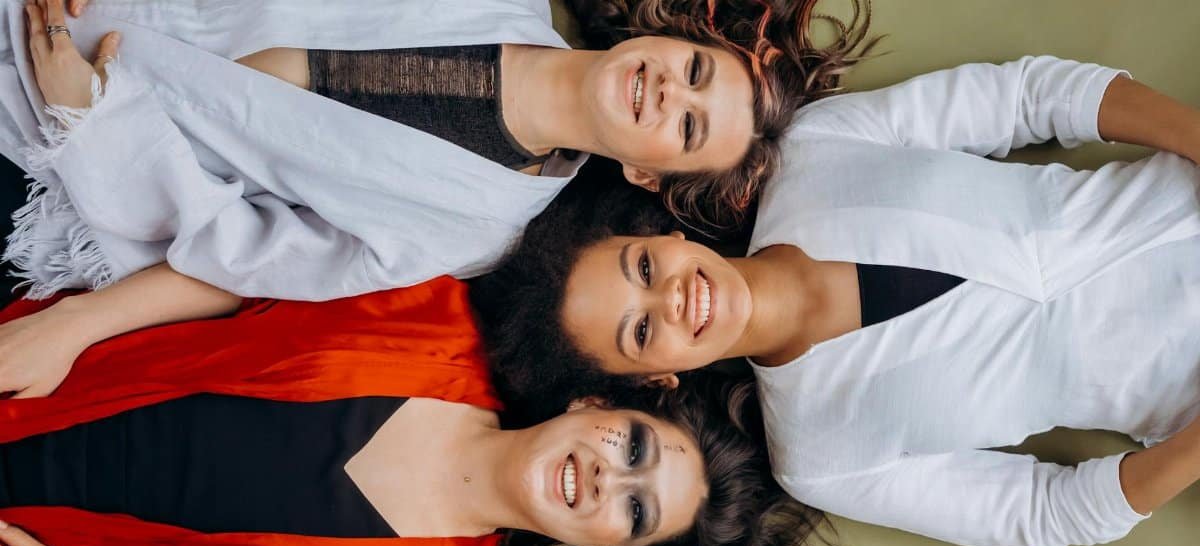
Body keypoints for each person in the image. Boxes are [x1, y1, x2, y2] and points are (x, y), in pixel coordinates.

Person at [471, 51, 1200, 546]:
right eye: (639, 330)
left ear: (659, 234)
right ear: (649, 380)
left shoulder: (818, 147)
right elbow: (1046, 513)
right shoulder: (820, 458)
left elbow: (1030, 96)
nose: (673, 297)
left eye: (642, 267)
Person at [0, 277, 859, 546]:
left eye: (635, 514)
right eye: (633, 448)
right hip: (29, 368)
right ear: (599, 402)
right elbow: (237, 277)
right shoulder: (437, 315)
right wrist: (74, 323)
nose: (607, 479)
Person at [0, 0, 874, 303]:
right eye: (693, 71)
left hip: (60, 157)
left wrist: (95, 123)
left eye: (687, 127)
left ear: (646, 174)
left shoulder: (477, 225)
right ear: (666, 33)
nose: (667, 91)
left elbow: (251, 253)